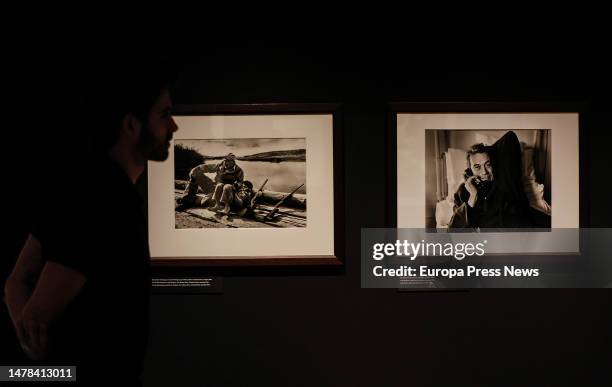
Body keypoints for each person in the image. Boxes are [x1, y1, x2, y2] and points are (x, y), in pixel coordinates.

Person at [3, 56, 178, 386]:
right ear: (131, 125)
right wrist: (32, 338)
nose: (173, 127)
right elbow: (37, 310)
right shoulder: (104, 200)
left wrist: (30, 346)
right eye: (164, 114)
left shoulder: (83, 184)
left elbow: (17, 280)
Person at [448, 130, 550, 229]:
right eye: (477, 167)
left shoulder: (503, 182)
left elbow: (509, 138)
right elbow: (454, 231)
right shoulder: (463, 192)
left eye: (488, 165)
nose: (484, 172)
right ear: (470, 170)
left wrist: (491, 151)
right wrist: (473, 198)